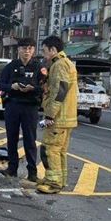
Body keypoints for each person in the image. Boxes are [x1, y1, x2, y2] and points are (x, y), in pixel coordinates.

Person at [0, 38, 44, 183]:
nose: (27, 51)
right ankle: (12, 168)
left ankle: (32, 172)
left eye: (30, 48)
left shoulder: (39, 68)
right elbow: (0, 85)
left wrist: (32, 88)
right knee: (12, 138)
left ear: (33, 50)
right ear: (18, 50)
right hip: (13, 105)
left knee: (30, 140)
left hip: (30, 107)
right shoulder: (11, 66)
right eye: (24, 48)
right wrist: (13, 87)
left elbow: (44, 87)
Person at [37, 35, 78, 194]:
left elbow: (60, 91)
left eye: (44, 50)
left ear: (53, 50)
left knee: (50, 149)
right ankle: (58, 180)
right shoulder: (65, 63)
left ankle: (53, 183)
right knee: (59, 151)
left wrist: (50, 115)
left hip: (58, 118)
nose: (43, 53)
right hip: (66, 117)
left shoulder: (59, 65)